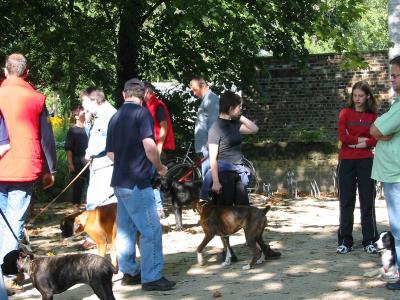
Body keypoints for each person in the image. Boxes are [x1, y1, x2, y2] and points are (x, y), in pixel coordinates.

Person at [106, 78, 176, 291]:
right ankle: (152, 277)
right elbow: (149, 145)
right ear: (144, 94)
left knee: (126, 229)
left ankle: (130, 273)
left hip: (119, 181)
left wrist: (125, 164)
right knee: (151, 229)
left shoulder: (115, 117)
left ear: (123, 94)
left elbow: (110, 154)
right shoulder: (142, 113)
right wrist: (160, 166)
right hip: (138, 182)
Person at [0, 53, 56, 294]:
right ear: (26, 72)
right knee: (14, 222)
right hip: (24, 167)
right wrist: (50, 169)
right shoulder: (36, 98)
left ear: (5, 71)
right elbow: (46, 137)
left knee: (4, 223)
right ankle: (9, 274)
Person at [335, 81, 379, 255]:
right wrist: (362, 141)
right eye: (355, 96)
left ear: (367, 96)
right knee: (346, 201)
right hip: (346, 161)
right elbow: (342, 137)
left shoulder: (373, 117)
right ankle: (345, 240)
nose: (357, 99)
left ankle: (370, 240)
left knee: (367, 202)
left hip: (366, 161)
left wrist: (356, 142)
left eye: (361, 96)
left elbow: (375, 139)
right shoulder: (345, 113)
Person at [370, 55, 400, 290]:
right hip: (394, 174)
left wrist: (378, 129)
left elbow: (375, 129)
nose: (392, 79)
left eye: (397, 75)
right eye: (391, 75)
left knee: (398, 230)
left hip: (396, 175)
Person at [200, 90, 259, 205]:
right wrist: (216, 182)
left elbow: (254, 129)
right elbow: (212, 158)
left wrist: (240, 116)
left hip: (238, 173)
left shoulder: (235, 125)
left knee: (243, 210)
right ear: (231, 107)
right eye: (239, 107)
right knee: (225, 213)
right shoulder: (216, 128)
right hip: (224, 175)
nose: (240, 109)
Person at [80, 88, 117, 250]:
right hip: (100, 165)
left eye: (85, 102)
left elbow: (104, 142)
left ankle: (97, 236)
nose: (83, 107)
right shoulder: (100, 116)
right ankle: (99, 236)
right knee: (97, 202)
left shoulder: (109, 115)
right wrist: (87, 123)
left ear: (94, 100)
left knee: (98, 202)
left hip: (105, 165)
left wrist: (89, 154)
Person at [143, 82, 175, 218]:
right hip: (150, 147)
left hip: (156, 147)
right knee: (152, 177)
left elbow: (164, 126)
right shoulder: (145, 106)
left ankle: (158, 208)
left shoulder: (157, 105)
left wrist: (159, 146)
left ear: (147, 92)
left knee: (156, 177)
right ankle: (156, 207)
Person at [190, 77, 219, 178]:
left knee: (208, 178)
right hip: (204, 146)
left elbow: (213, 122)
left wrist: (210, 141)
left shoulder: (211, 99)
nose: (194, 93)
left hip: (207, 146)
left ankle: (209, 194)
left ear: (202, 86)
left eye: (195, 90)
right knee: (206, 176)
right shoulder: (206, 99)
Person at [65, 106, 89, 208]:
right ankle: (76, 205)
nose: (85, 114)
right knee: (78, 185)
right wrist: (70, 163)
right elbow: (69, 148)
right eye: (82, 113)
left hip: (89, 161)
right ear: (76, 116)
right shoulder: (72, 130)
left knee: (91, 184)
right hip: (77, 161)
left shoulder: (89, 129)